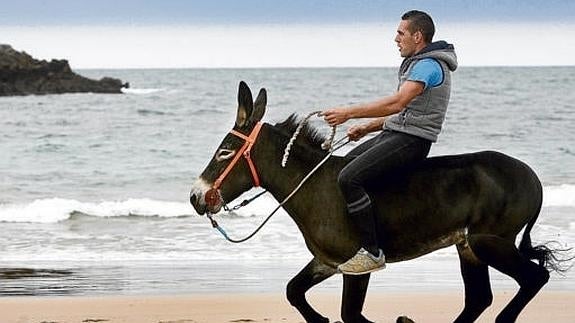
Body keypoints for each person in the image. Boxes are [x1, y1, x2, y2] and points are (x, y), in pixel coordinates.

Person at [322, 10, 458, 275]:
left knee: (349, 178)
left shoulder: (428, 65)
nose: (396, 39)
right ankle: (358, 234)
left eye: (400, 33)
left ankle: (372, 252)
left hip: (413, 141)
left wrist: (348, 112)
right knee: (343, 167)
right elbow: (405, 112)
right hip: (398, 133)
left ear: (417, 36)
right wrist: (366, 127)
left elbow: (398, 103)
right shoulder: (418, 63)